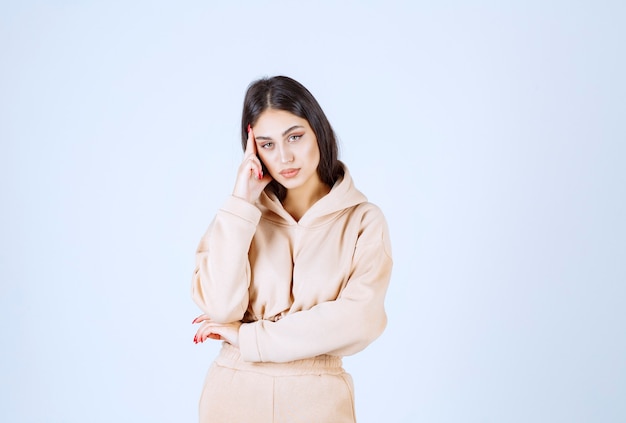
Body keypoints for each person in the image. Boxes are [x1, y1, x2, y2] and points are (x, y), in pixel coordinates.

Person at [190, 75, 393, 423]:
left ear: (319, 131)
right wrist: (242, 202)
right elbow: (221, 308)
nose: (283, 156)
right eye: (267, 145)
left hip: (317, 400)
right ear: (252, 151)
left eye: (294, 137)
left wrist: (250, 337)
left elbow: (360, 321)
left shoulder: (363, 220)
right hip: (233, 395)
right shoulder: (241, 217)